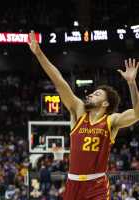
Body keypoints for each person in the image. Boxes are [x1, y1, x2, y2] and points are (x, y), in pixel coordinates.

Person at [28, 30, 139, 200]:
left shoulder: (111, 121)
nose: (90, 95)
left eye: (97, 94)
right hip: (73, 184)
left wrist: (131, 84)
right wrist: (38, 53)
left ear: (106, 103)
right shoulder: (79, 111)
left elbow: (137, 113)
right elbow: (58, 81)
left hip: (97, 185)